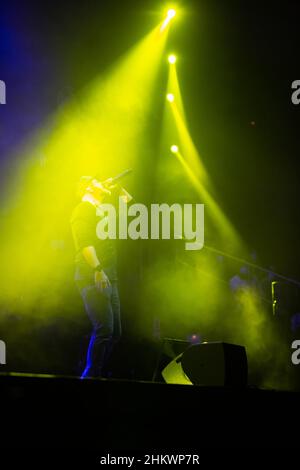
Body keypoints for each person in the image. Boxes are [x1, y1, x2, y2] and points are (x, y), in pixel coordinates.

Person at [70, 175, 131, 378]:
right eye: (97, 181)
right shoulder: (83, 209)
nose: (103, 182)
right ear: (88, 188)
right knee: (105, 329)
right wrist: (97, 269)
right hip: (92, 274)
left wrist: (121, 192)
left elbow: (128, 216)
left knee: (115, 333)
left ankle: (96, 373)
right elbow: (85, 243)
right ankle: (89, 378)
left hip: (109, 276)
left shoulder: (100, 211)